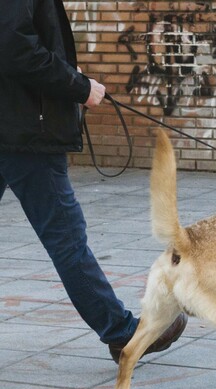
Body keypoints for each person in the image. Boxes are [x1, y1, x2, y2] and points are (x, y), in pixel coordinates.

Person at [0, 0, 187, 363]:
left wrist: (69, 74)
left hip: (15, 124)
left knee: (66, 239)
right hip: (24, 133)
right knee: (67, 240)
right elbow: (15, 47)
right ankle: (121, 332)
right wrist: (76, 84)